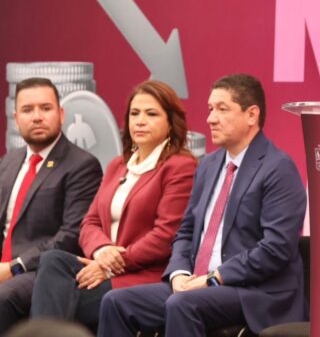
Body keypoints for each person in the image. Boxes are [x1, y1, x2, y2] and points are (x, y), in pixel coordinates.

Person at [99, 74, 307, 337]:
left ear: (252, 115)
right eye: (210, 109)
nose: (210, 118)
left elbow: (276, 248)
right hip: (198, 283)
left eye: (222, 109)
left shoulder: (278, 168)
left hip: (254, 291)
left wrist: (215, 278)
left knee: (182, 304)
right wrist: (178, 273)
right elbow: (185, 231)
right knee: (116, 302)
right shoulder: (208, 165)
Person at [30, 80, 197, 330]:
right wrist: (102, 251)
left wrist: (111, 264)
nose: (140, 121)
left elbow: (165, 235)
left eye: (151, 114)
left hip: (143, 276)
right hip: (103, 267)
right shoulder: (118, 165)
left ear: (171, 123)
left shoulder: (180, 166)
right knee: (53, 261)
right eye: (134, 113)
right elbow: (90, 222)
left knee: (57, 301)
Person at [0, 78, 102, 333]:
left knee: (2, 297)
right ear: (16, 118)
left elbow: (71, 235)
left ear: (61, 114)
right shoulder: (8, 162)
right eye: (27, 110)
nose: (37, 117)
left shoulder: (82, 165)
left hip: (38, 271)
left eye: (45, 108)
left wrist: (14, 266)